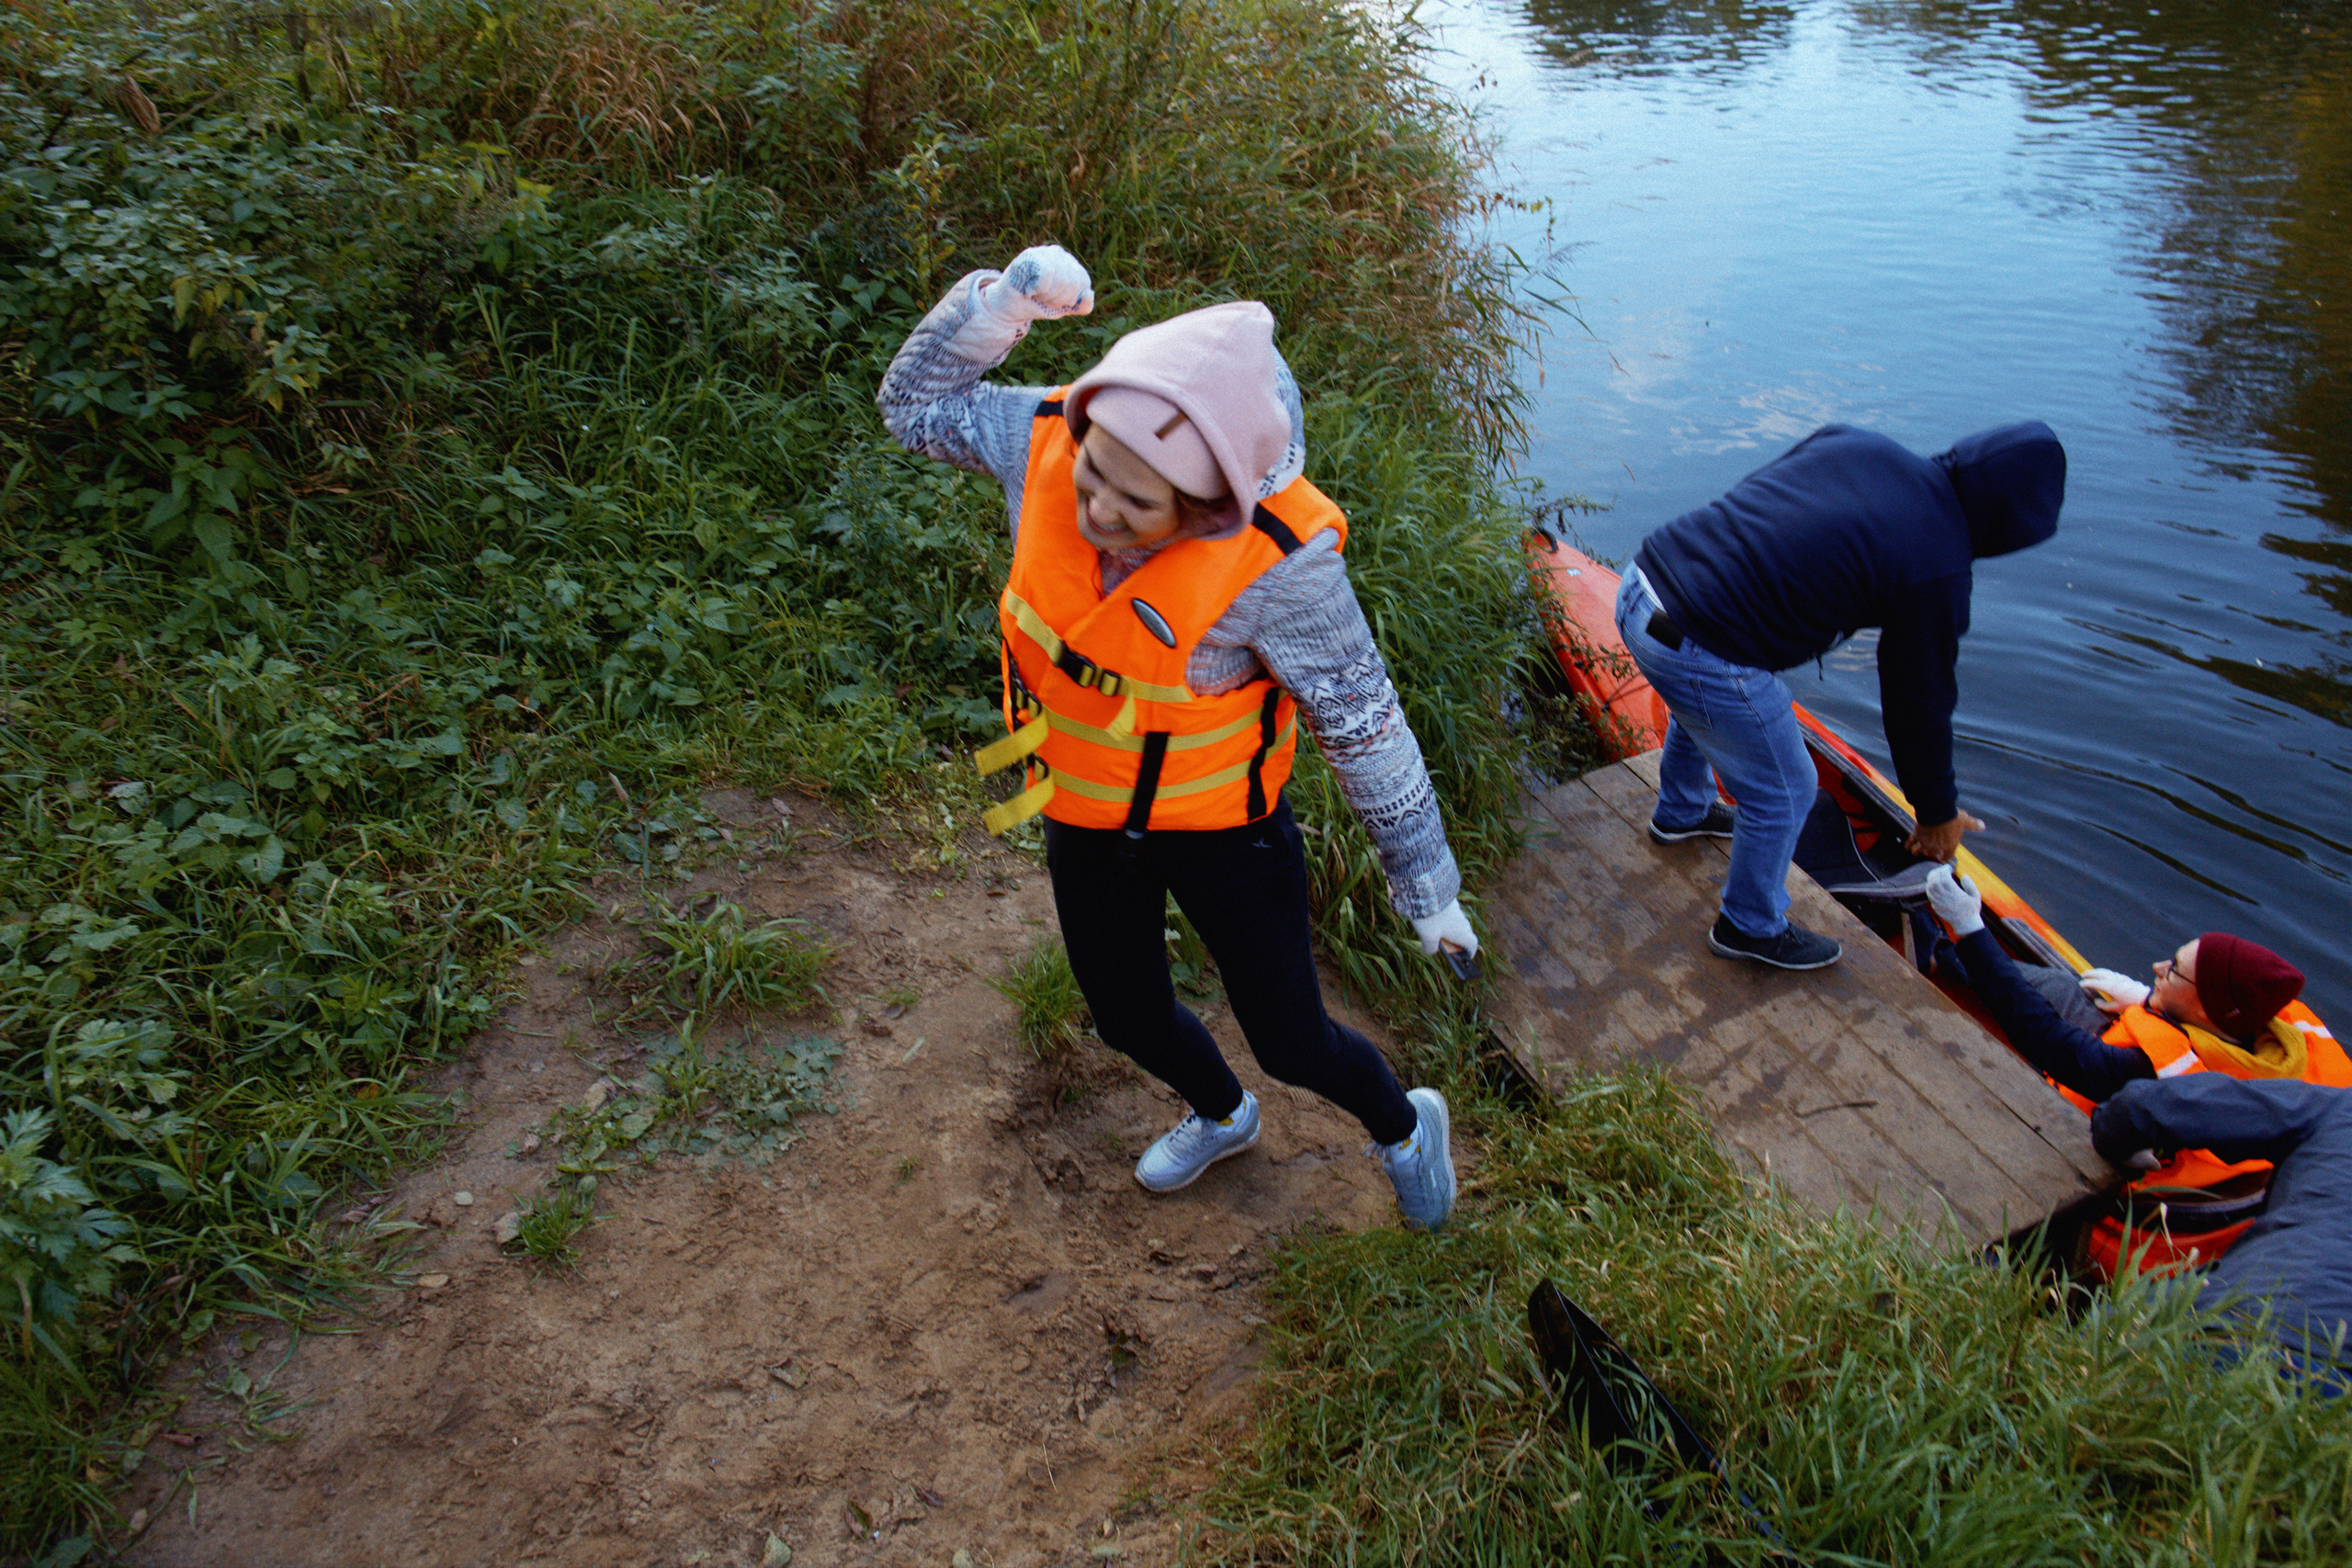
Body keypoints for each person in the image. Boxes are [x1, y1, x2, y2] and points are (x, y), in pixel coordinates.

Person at [876, 244, 1468, 1228]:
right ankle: (1220, 1112)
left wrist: (1427, 887)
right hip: (1084, 806)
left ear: (1206, 511)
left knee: (1293, 1042)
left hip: (1225, 835)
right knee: (1125, 1014)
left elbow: (1363, 724)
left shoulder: (1281, 566)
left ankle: (1404, 1128)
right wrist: (999, 306)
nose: (1092, 508)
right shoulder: (1049, 438)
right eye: (1092, 474)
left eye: (1132, 506)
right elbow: (914, 409)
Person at [1617, 422, 2065, 970]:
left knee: (1707, 701)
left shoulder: (1865, 445)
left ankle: (1682, 812)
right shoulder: (1938, 566)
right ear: (2012, 524)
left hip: (1642, 582)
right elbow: (1917, 702)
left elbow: (1766, 511)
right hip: (1697, 642)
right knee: (1786, 789)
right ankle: (1748, 926)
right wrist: (1936, 812)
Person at [1926, 863, 2346, 1277]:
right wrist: (2152, 999)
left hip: (2123, 1213)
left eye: (2174, 970)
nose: (2158, 967)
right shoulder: (2286, 1029)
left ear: (2203, 1009)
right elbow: (2213, 1016)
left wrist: (1970, 929)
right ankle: (1942, 953)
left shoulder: (2150, 1074)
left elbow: (2043, 1036)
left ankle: (1938, 947)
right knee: (2059, 987)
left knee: (2039, 1001)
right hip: (2222, 1204)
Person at [2091, 1074, 2352, 1392]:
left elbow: (2145, 1106)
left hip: (2229, 1316)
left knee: (2096, 1341)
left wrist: (2111, 1135)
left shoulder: (2337, 1108)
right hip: (2331, 1394)